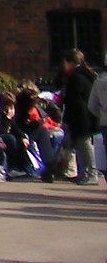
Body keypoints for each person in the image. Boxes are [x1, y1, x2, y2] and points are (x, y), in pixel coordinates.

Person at [56, 50, 98, 184]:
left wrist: (64, 102)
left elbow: (74, 100)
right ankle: (85, 172)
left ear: (70, 63)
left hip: (80, 117)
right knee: (82, 145)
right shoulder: (87, 75)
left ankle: (91, 172)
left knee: (84, 145)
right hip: (87, 115)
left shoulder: (75, 77)